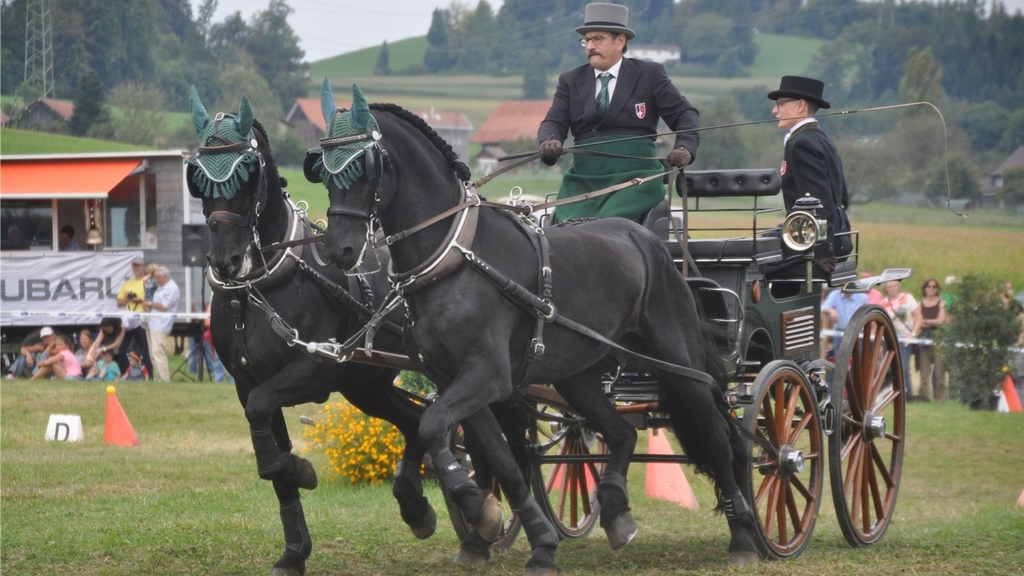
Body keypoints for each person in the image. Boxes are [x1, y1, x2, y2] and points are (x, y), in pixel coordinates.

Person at [537, 2, 699, 223]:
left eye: (598, 39)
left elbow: (685, 115)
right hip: (585, 179)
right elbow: (553, 122)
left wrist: (684, 147)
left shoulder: (649, 74)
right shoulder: (570, 80)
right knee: (563, 230)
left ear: (620, 41)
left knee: (607, 227)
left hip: (637, 178)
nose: (590, 46)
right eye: (587, 40)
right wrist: (549, 141)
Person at [766, 76, 853, 275]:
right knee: (762, 241)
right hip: (830, 236)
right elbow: (842, 199)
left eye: (780, 104)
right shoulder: (821, 139)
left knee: (750, 259)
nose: (774, 111)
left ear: (800, 106)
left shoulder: (801, 144)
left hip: (812, 244)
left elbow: (818, 200)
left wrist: (824, 250)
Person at [116, 256, 153, 376]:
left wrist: (139, 300)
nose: (136, 268)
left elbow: (151, 302)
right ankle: (126, 375)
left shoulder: (147, 282)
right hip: (128, 320)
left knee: (145, 351)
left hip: (142, 320)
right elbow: (119, 303)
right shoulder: (127, 283)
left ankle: (149, 376)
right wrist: (127, 299)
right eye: (134, 266)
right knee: (122, 351)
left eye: (138, 266)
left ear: (144, 267)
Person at [880, 280, 918, 396]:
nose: (892, 288)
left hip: (905, 338)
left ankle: (907, 395)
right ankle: (893, 393)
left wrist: (913, 333)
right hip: (889, 338)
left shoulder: (908, 298)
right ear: (886, 289)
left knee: (904, 368)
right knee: (891, 368)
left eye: (895, 286)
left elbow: (918, 316)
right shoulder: (882, 303)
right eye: (890, 286)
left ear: (899, 287)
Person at [912, 278, 948, 402]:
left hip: (939, 337)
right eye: (929, 286)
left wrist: (925, 321)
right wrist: (928, 322)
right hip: (923, 339)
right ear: (924, 288)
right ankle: (924, 398)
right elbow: (916, 323)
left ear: (937, 289)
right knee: (924, 373)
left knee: (940, 372)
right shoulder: (919, 304)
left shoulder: (942, 302)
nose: (931, 289)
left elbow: (940, 321)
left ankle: (941, 399)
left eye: (934, 286)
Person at [143, 266, 180, 382]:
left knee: (158, 352)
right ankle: (158, 378)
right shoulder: (160, 287)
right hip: (152, 323)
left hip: (161, 325)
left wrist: (149, 303)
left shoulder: (172, 288)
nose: (157, 281)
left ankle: (164, 380)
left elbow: (164, 306)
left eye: (158, 278)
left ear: (165, 276)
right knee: (153, 354)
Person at [822, 288, 869, 360]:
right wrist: (831, 310)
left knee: (858, 358)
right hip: (839, 333)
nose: (847, 289)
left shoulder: (862, 297)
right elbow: (823, 307)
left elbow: (868, 314)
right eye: (844, 286)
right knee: (839, 359)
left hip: (857, 332)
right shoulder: (835, 294)